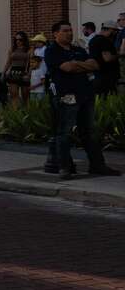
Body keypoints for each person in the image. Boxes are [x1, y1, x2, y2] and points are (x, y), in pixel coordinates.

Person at [45, 21, 119, 178]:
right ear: (55, 33)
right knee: (64, 132)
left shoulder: (78, 49)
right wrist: (79, 65)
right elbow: (67, 68)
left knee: (90, 132)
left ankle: (98, 166)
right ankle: (64, 167)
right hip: (66, 96)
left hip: (85, 94)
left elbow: (95, 65)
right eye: (65, 31)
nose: (69, 33)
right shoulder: (52, 51)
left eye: (71, 30)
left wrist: (75, 64)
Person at [88, 22, 120, 98]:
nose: (116, 33)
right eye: (115, 31)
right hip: (107, 77)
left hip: (98, 75)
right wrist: (120, 55)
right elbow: (107, 58)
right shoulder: (104, 40)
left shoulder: (93, 39)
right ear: (108, 30)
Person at [2, 31, 33, 106]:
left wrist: (29, 74)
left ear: (24, 40)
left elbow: (30, 63)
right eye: (16, 39)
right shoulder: (12, 49)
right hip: (13, 72)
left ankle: (27, 112)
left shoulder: (29, 49)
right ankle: (15, 114)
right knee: (13, 94)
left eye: (20, 40)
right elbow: (8, 62)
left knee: (25, 95)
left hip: (24, 72)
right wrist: (3, 72)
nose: (18, 41)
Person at [28, 33, 49, 100]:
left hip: (43, 71)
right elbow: (31, 58)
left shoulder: (44, 49)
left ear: (41, 42)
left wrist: (32, 50)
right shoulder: (36, 50)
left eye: (36, 42)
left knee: (43, 86)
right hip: (37, 70)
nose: (34, 43)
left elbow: (36, 58)